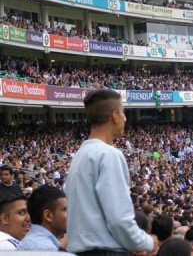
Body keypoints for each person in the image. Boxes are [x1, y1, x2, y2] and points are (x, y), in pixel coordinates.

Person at [66, 89, 158, 255]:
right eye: (123, 112)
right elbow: (118, 220)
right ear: (115, 116)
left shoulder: (79, 155)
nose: (125, 118)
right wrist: (147, 242)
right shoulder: (109, 154)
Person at [18, 185, 67, 251]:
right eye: (65, 209)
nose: (70, 214)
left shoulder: (36, 243)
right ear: (48, 216)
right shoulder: (45, 249)